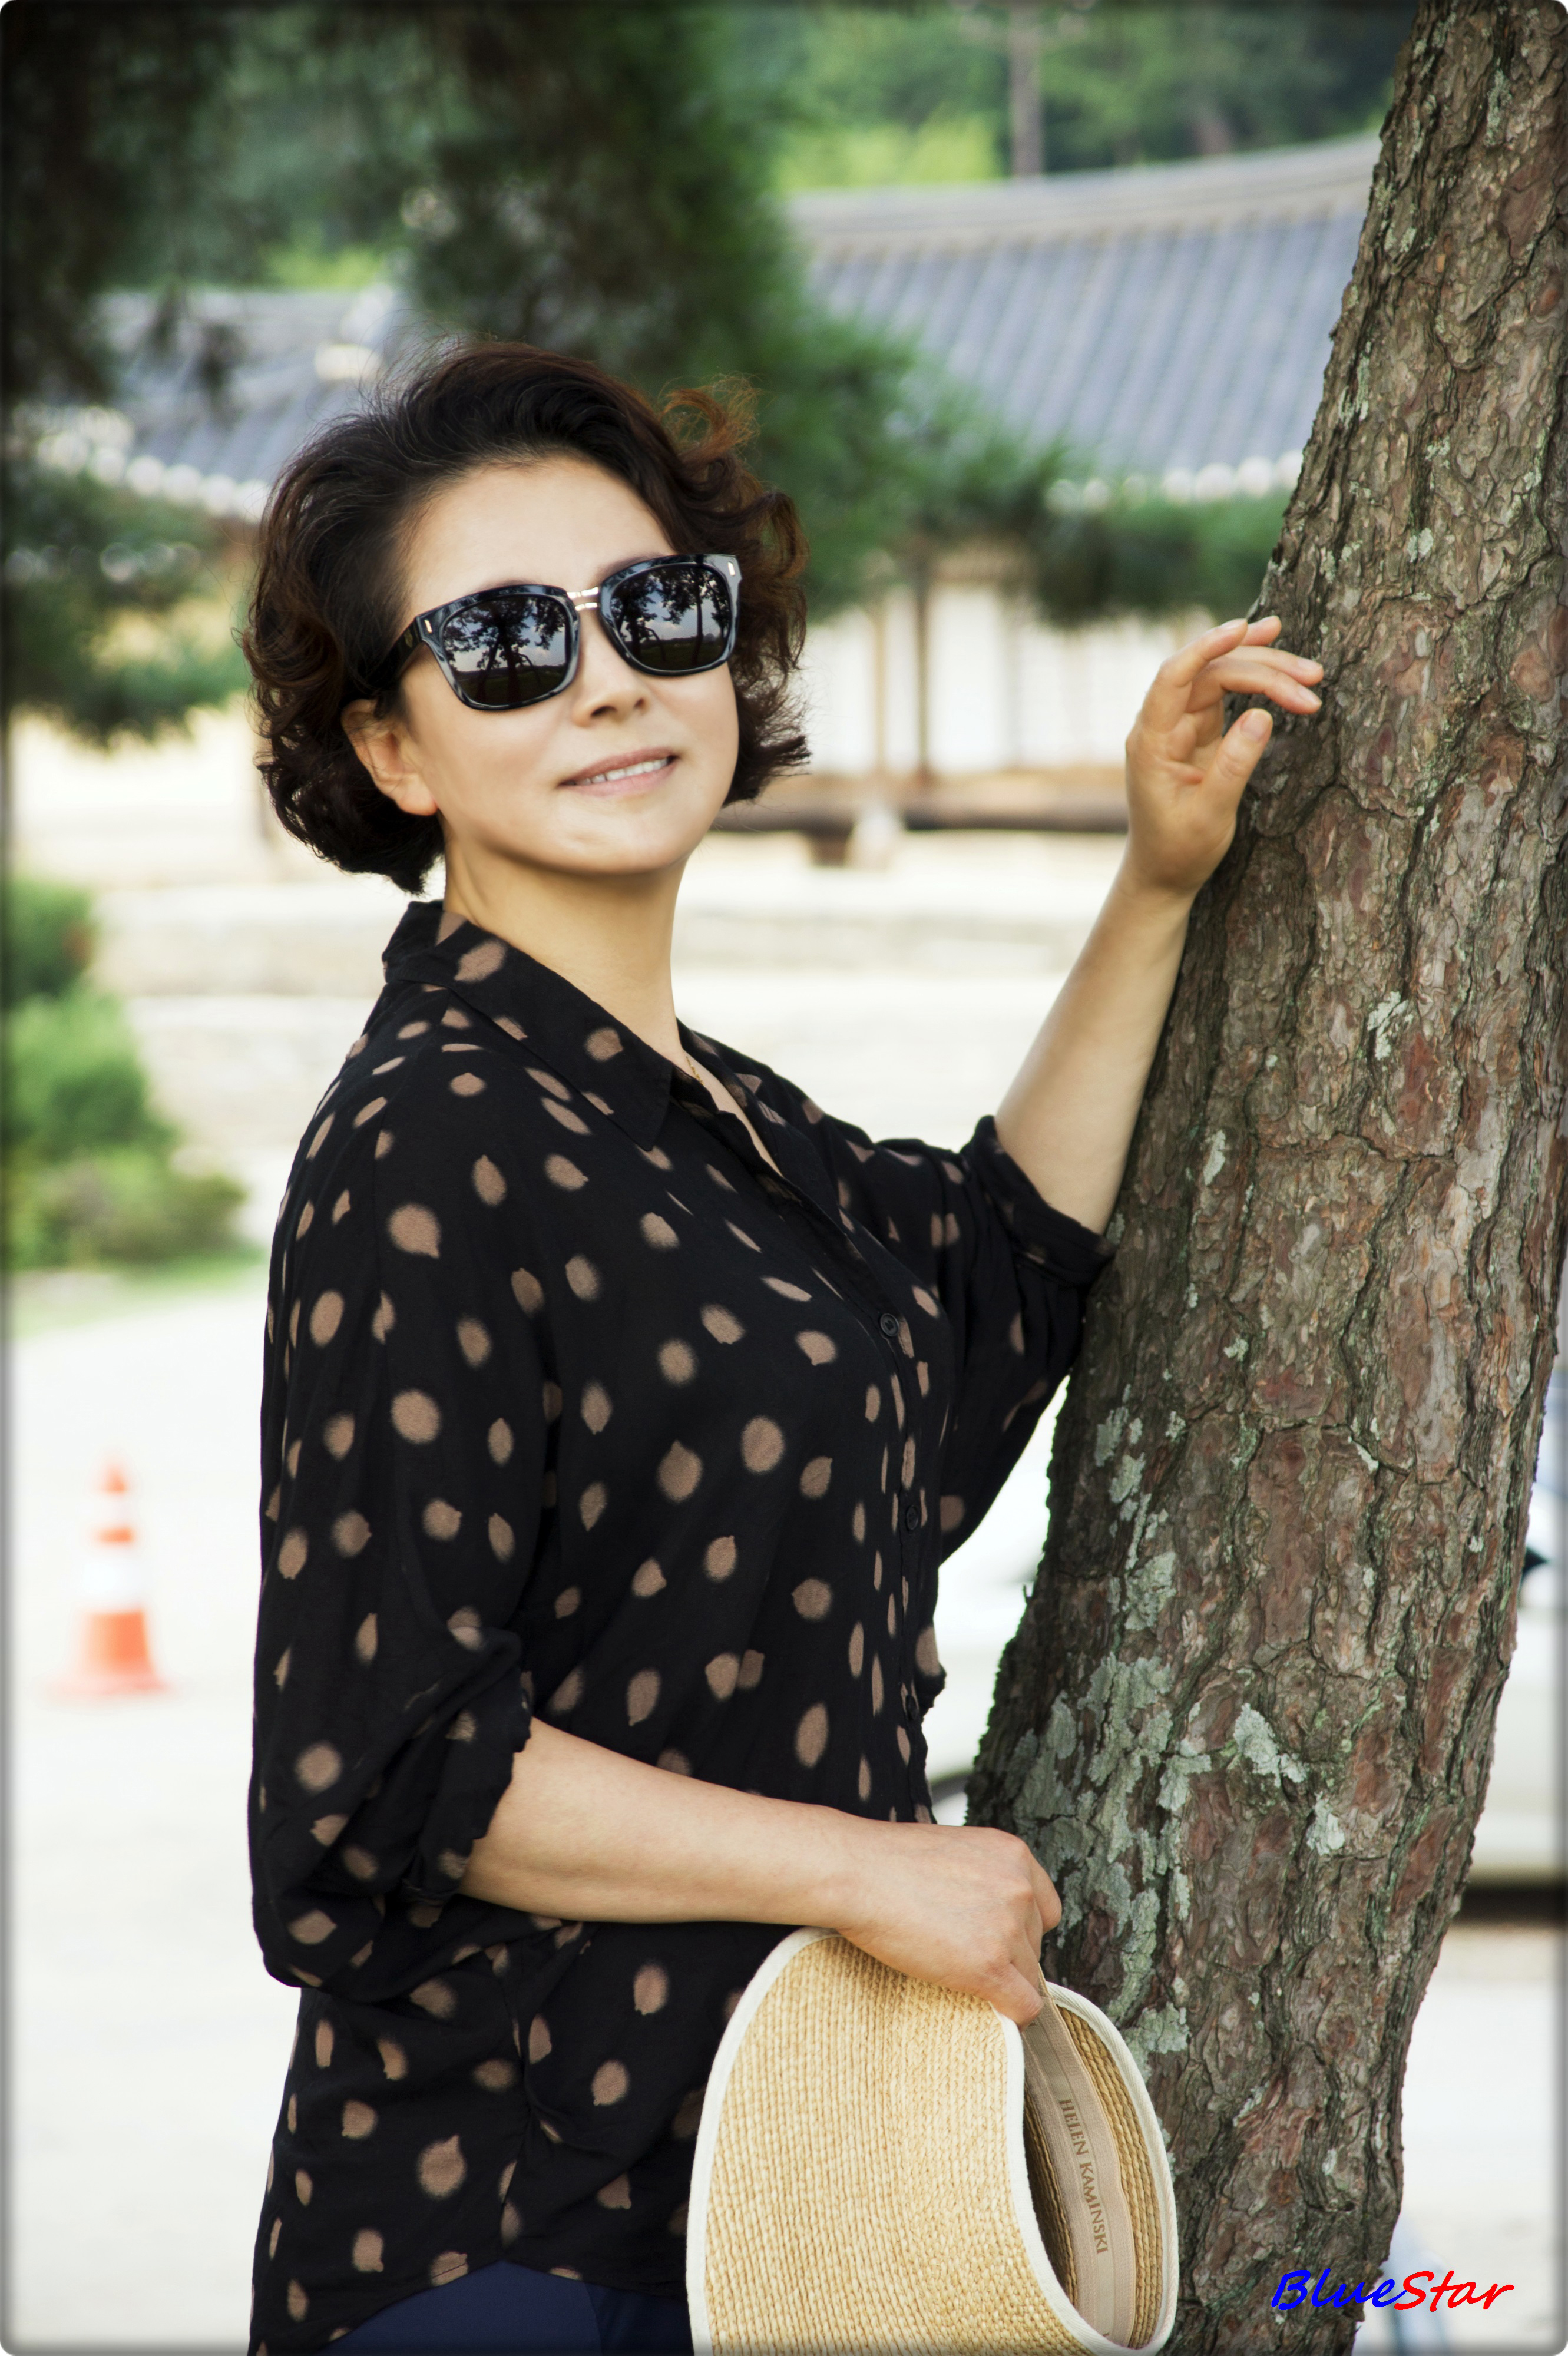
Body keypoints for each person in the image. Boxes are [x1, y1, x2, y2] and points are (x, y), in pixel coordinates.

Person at [242, 342, 1321, 2355]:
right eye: (505, 646)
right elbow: (382, 1773)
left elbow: (991, 1291)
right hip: (511, 2242)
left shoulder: (716, 1119)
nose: (605, 681)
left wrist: (1158, 878)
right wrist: (868, 1872)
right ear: (393, 748)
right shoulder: (430, 1139)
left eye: (655, 610)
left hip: (782, 2211)